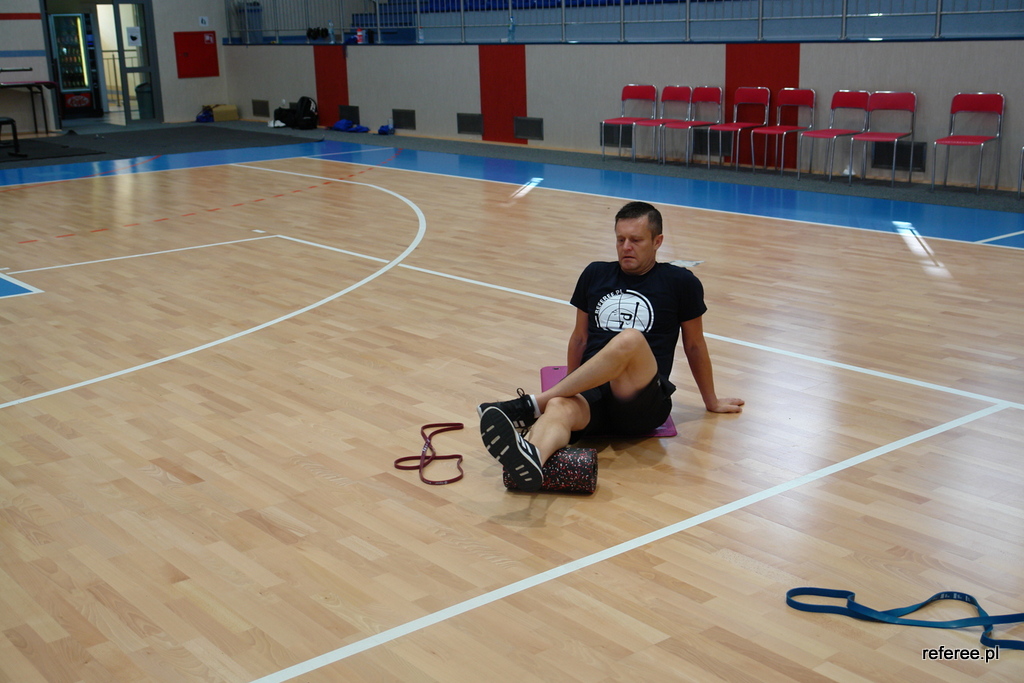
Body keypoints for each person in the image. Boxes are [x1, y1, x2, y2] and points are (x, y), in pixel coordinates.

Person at [478, 201, 743, 491]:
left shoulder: (680, 282)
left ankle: (530, 405)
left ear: (658, 242)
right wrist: (570, 390)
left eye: (636, 240)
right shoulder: (595, 274)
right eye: (620, 239)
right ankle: (532, 460)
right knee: (558, 406)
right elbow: (579, 338)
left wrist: (711, 401)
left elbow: (694, 346)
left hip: (641, 402)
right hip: (596, 400)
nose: (626, 247)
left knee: (630, 339)